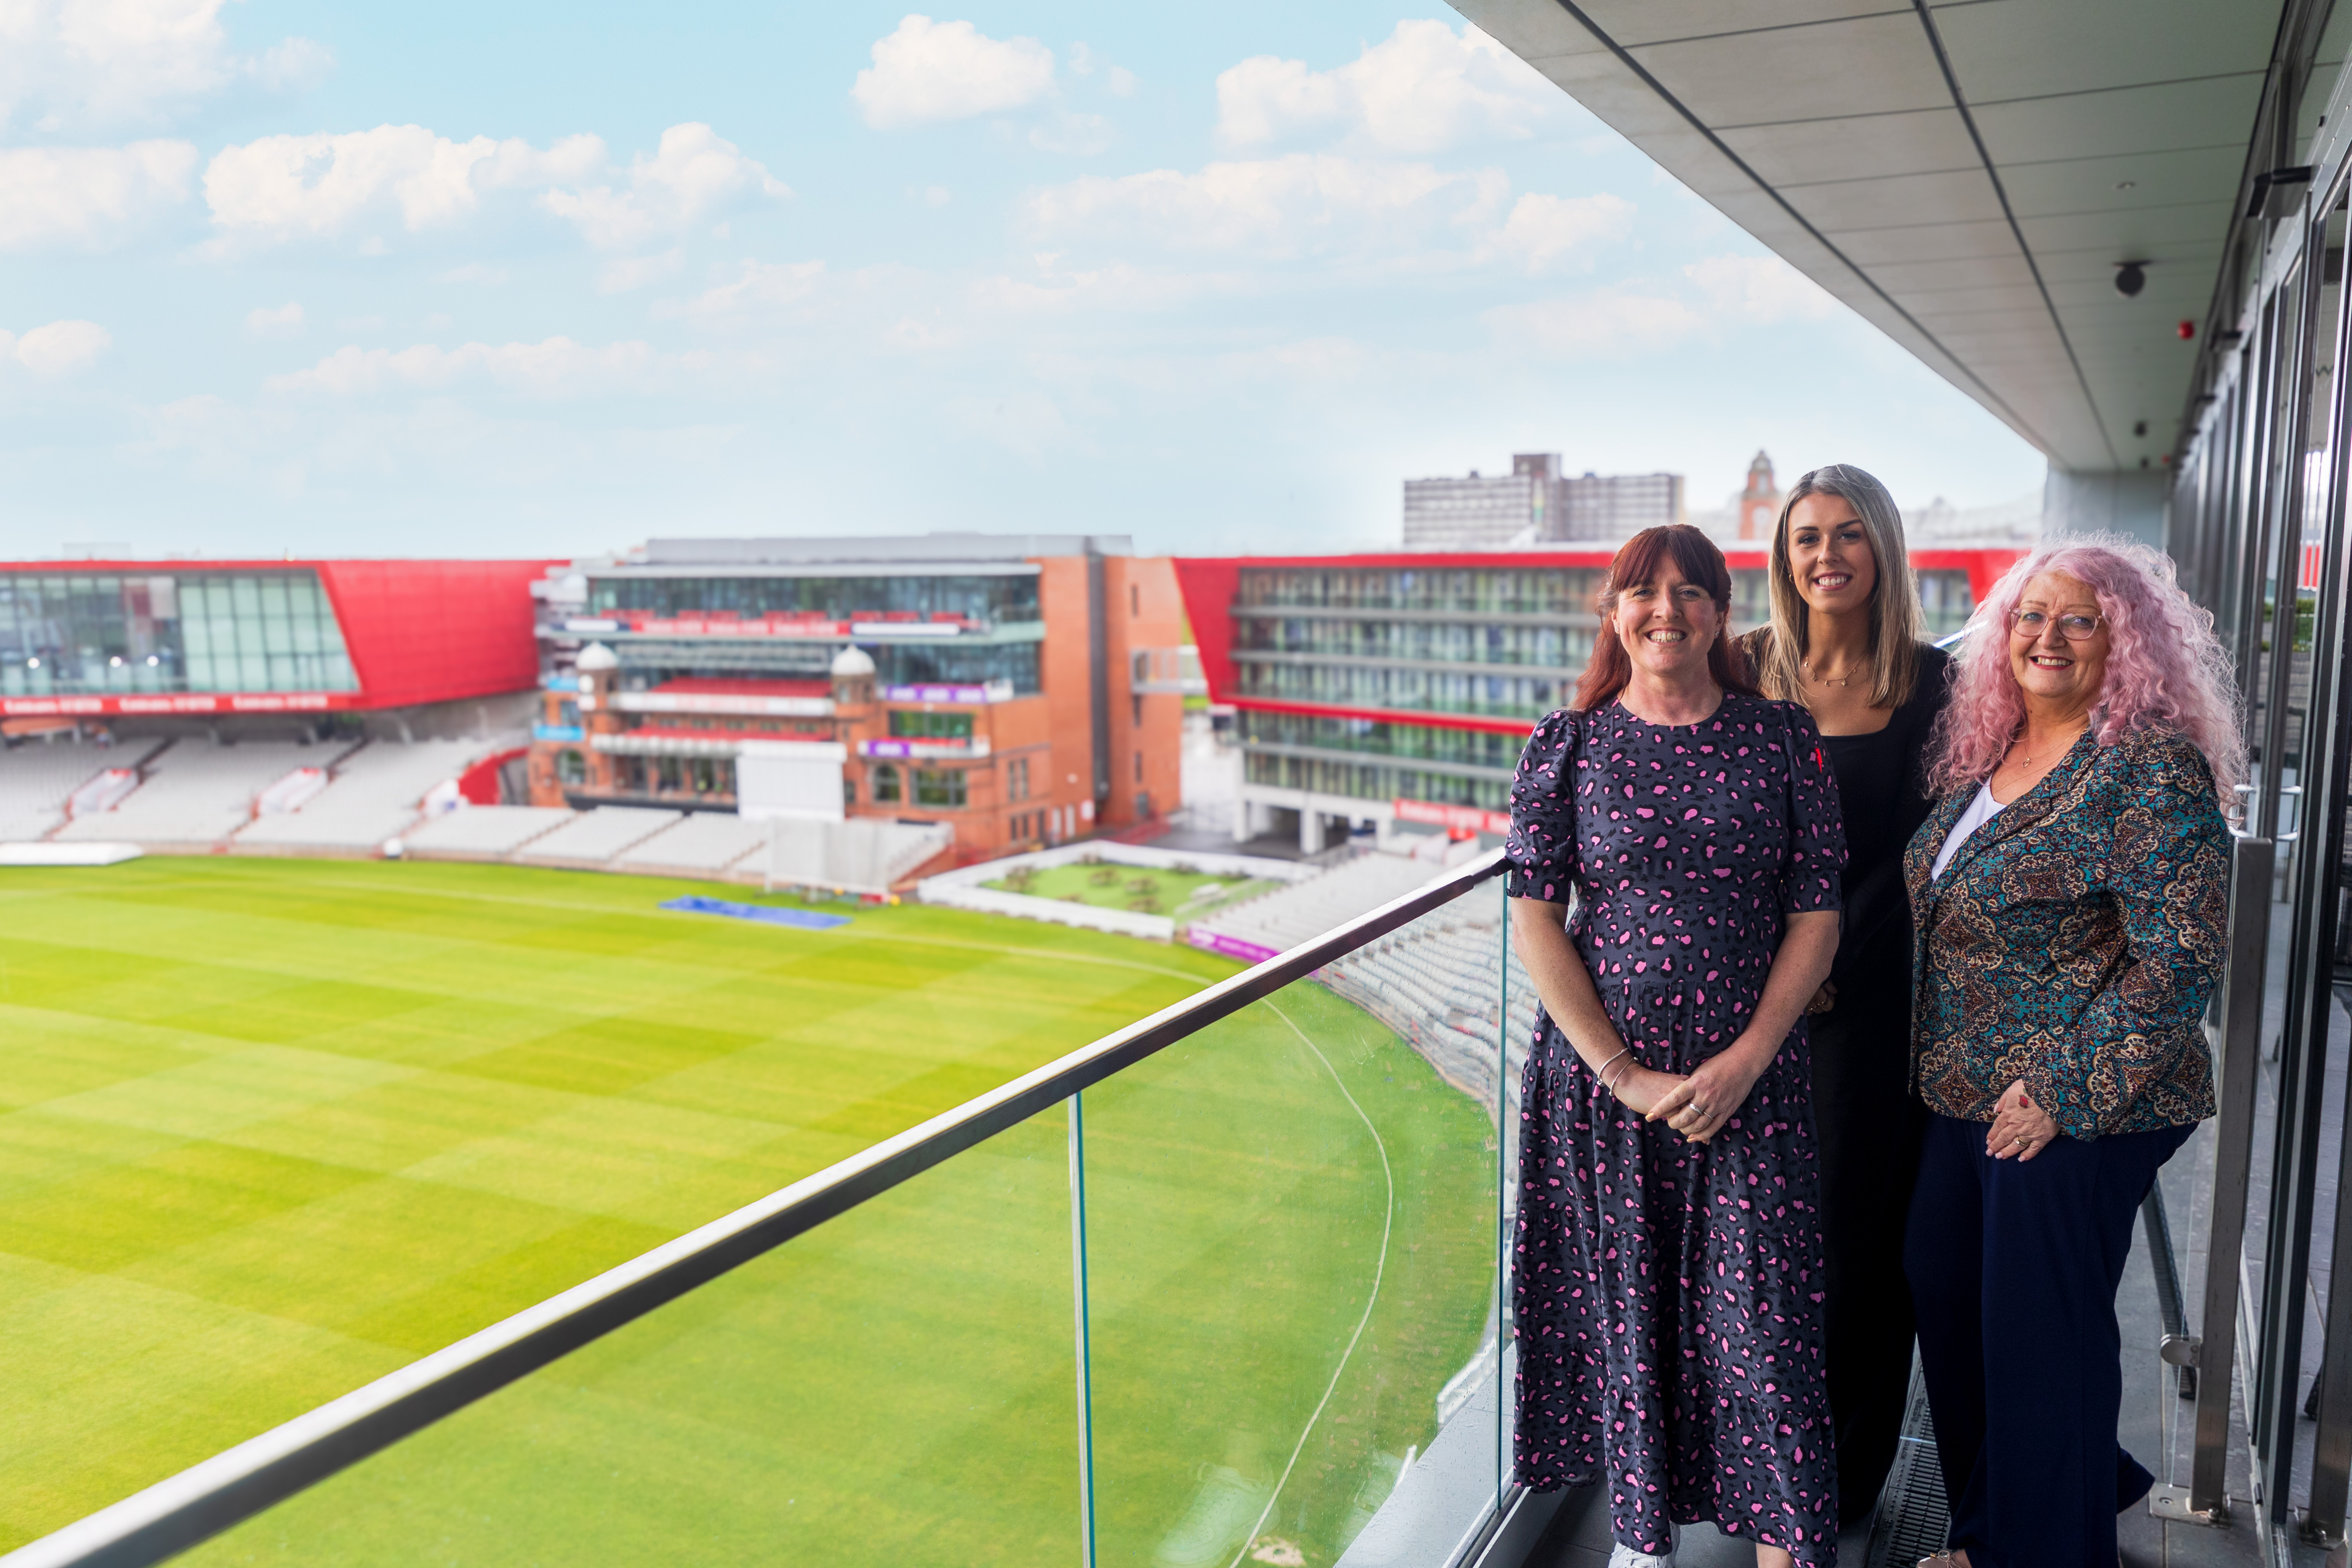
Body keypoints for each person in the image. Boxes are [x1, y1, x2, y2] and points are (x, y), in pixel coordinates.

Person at [1506, 523, 1848, 1568]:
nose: (1667, 610)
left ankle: (1787, 1541)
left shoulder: (1783, 737)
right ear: (1614, 612)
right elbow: (1535, 917)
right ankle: (1642, 1545)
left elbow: (1816, 913)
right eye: (1643, 593)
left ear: (1719, 610)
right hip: (1605, 1091)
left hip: (1750, 1084)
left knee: (1766, 1331)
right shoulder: (1564, 746)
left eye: (1691, 592)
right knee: (1629, 1313)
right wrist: (1623, 1072)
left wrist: (1745, 1060)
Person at [1901, 536, 2238, 1568]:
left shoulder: (2145, 764)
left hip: (2081, 1099)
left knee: (2037, 1336)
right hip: (1963, 1089)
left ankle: (2040, 1550)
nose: (2046, 637)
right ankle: (2001, 1520)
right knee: (1947, 1290)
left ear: (2123, 641)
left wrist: (2059, 1089)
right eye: (2030, 616)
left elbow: (2183, 956)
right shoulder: (1988, 751)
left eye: (2078, 619)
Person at [1738, 465, 1950, 1528]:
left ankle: (1837, 1480)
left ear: (1884, 550)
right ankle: (1747, 1465)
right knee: (1749, 1244)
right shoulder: (1743, 671)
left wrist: (1827, 972)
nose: (1826, 555)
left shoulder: (1932, 683)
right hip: (1737, 1006)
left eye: (1849, 535)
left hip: (1867, 1009)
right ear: (1784, 557)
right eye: (1806, 536)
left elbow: (1938, 857)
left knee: (1849, 1241)